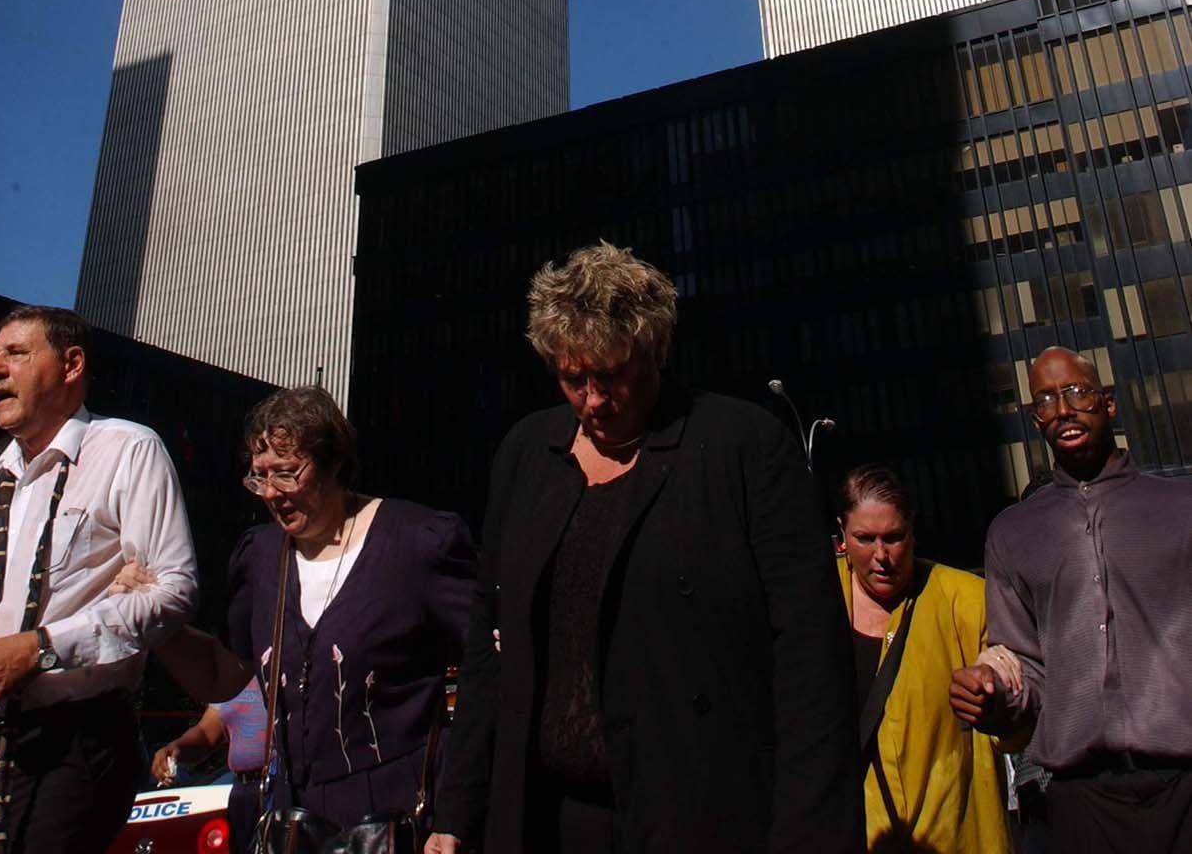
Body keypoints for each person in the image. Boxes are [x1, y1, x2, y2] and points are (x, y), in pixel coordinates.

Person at [426, 240, 864, 854]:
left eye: (611, 375)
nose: (593, 400)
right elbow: (487, 642)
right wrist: (456, 812)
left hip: (701, 815)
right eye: (572, 379)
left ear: (655, 349)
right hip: (543, 820)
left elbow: (810, 663)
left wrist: (807, 835)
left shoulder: (745, 448)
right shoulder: (526, 454)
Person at [153, 385, 474, 839]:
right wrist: (154, 622)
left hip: (402, 820)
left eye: (286, 473)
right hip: (293, 823)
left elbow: (492, 674)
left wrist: (458, 815)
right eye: (258, 476)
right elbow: (225, 675)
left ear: (335, 463)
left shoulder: (417, 543)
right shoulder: (258, 557)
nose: (270, 493)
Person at [0, 304, 198, 854]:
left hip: (67, 750)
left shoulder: (128, 449)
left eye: (15, 353)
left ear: (71, 364)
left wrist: (42, 649)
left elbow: (173, 589)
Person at [949, 345, 1192, 853]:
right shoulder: (1013, 533)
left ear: (1108, 403)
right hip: (1081, 802)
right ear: (1036, 421)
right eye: (1045, 400)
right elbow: (1028, 669)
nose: (1062, 410)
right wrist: (995, 695)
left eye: (1076, 392)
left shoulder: (1180, 509)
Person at [837, 464, 1009, 852]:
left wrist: (996, 696)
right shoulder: (812, 603)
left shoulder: (967, 601)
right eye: (865, 538)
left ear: (913, 530)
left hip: (952, 835)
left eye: (893, 538)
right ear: (842, 534)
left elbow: (1018, 723)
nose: (880, 556)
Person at [151, 677, 268, 854]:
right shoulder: (234, 673)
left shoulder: (295, 663)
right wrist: (176, 748)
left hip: (286, 785)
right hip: (243, 792)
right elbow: (206, 734)